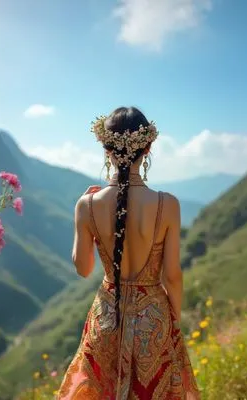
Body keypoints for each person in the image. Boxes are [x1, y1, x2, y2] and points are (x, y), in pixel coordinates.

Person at [57, 107, 200, 399]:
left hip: (108, 316)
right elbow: (172, 276)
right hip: (155, 321)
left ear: (105, 149)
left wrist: (81, 211)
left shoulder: (87, 205)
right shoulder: (167, 205)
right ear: (147, 147)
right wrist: (173, 324)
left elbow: (83, 269)